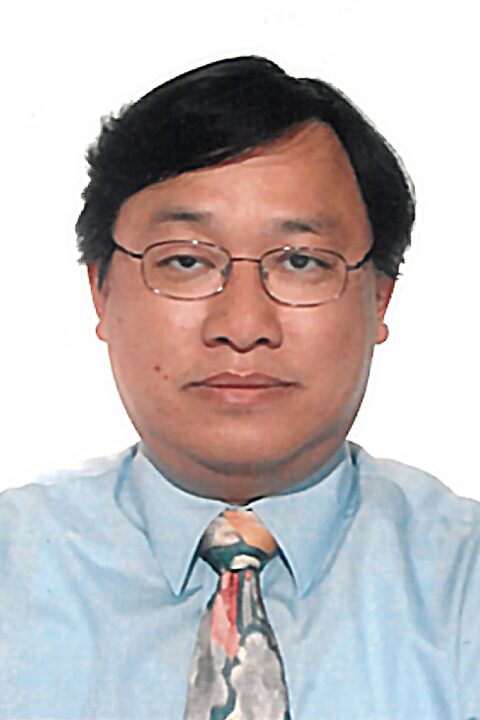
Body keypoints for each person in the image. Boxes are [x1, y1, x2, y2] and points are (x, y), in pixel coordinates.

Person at [1, 56, 478, 720]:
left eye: (302, 262)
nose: (244, 325)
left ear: (379, 299)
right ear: (101, 291)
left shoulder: (464, 583)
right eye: (186, 260)